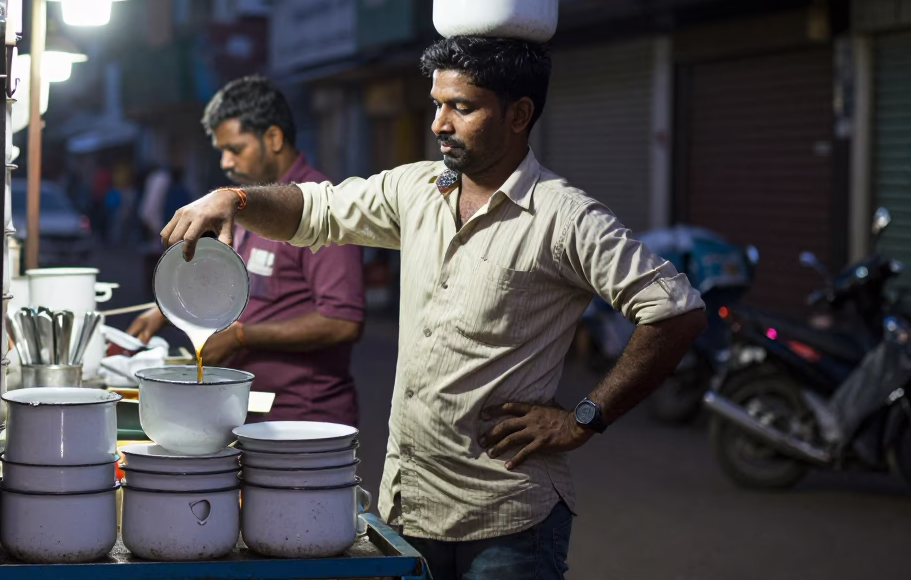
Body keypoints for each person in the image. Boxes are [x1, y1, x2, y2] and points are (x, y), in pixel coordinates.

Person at [160, 39, 706, 580]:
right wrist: (233, 199)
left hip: (506, 516)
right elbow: (316, 209)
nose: (439, 123)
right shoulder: (417, 189)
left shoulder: (565, 217)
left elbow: (675, 311)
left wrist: (585, 417)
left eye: (461, 107)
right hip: (409, 506)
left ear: (518, 114)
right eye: (437, 104)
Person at [131, 75, 365, 425]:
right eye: (221, 151)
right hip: (246, 412)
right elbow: (237, 292)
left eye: (235, 149)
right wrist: (165, 312)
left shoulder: (321, 209)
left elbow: (342, 322)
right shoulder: (245, 207)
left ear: (272, 138)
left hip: (303, 421)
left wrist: (240, 336)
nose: (225, 162)